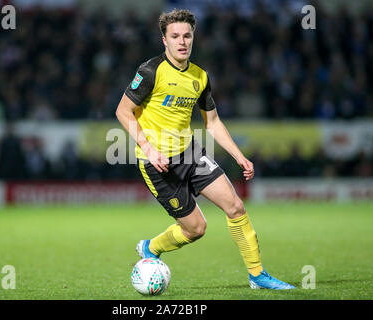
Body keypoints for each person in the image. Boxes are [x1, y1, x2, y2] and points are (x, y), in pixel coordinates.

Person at [115, 9, 294, 290]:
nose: (182, 41)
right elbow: (123, 111)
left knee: (235, 206)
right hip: (157, 163)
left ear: (193, 37)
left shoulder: (200, 76)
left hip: (190, 154)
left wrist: (239, 156)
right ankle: (151, 247)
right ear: (165, 40)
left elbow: (212, 122)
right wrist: (148, 148)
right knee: (196, 229)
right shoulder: (150, 71)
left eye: (187, 35)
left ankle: (257, 275)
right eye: (175, 36)